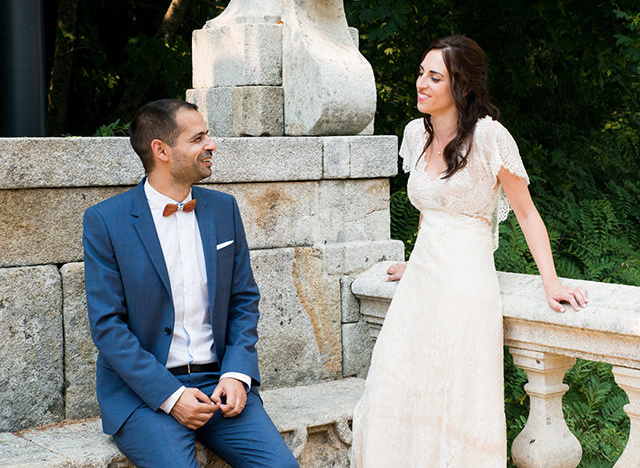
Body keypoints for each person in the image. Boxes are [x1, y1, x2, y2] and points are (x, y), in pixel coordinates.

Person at [350, 36, 589, 467]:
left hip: (465, 290)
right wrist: (417, 259)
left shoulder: (490, 137)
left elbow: (528, 214)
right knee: (396, 390)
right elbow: (431, 208)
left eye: (434, 76)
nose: (421, 83)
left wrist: (551, 282)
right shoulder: (413, 134)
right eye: (421, 72)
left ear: (461, 86)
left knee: (456, 402)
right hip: (420, 287)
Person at [83, 99, 297, 468]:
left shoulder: (223, 208)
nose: (211, 145)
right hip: (144, 395)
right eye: (198, 138)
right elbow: (107, 327)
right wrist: (170, 395)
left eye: (208, 135)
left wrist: (237, 372)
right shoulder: (106, 221)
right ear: (161, 150)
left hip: (220, 381)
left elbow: (244, 299)